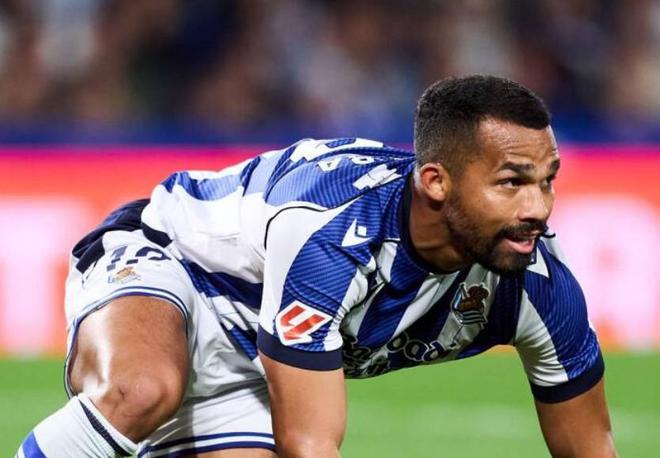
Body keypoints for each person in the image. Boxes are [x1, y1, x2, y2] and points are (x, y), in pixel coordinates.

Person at [16, 75, 617, 458]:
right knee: (142, 389)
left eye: (547, 181)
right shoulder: (332, 238)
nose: (537, 208)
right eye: (511, 183)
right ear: (436, 182)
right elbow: (309, 444)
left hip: (254, 357)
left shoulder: (540, 284)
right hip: (171, 262)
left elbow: (591, 447)